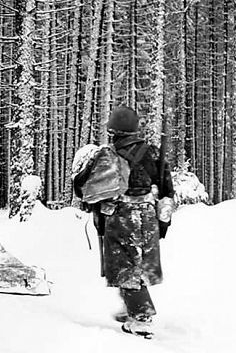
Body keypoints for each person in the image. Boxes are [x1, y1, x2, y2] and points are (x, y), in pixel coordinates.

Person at [73, 106, 174, 339]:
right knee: (137, 264)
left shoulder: (107, 154)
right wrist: (163, 220)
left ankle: (141, 317)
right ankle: (131, 305)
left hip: (120, 215)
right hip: (148, 215)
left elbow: (87, 189)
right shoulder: (154, 153)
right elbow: (167, 189)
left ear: (114, 130)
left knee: (126, 266)